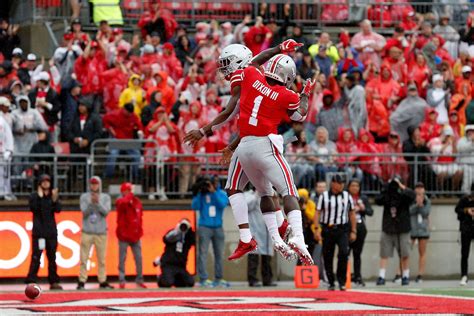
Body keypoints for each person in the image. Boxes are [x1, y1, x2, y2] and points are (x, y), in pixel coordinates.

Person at [316, 174, 357, 291]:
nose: (342, 185)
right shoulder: (324, 196)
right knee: (328, 255)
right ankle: (330, 281)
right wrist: (316, 229)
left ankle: (341, 281)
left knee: (344, 253)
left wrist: (353, 230)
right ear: (333, 184)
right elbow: (318, 212)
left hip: (342, 229)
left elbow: (352, 213)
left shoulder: (346, 196)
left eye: (343, 183)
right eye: (340, 183)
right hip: (328, 229)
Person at [375, 177, 415, 286]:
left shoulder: (404, 195)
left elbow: (413, 196)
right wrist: (387, 188)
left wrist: (402, 187)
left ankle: (405, 275)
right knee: (384, 253)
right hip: (388, 228)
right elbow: (378, 200)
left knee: (405, 253)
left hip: (403, 228)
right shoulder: (388, 195)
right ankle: (381, 276)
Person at [25, 174, 62, 290]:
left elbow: (58, 210)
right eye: (43, 181)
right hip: (39, 233)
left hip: (51, 233)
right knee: (36, 257)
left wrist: (55, 200)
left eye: (48, 181)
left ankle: (54, 281)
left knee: (52, 257)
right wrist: (40, 198)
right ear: (40, 183)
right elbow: (33, 208)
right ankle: (31, 280)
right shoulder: (34, 196)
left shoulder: (52, 196)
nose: (46, 183)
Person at [192, 177, 229, 288]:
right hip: (204, 227)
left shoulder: (221, 193)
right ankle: (203, 278)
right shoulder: (202, 194)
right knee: (202, 253)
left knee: (219, 254)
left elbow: (222, 204)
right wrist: (199, 193)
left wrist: (214, 193)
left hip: (218, 227)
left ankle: (218, 278)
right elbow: (195, 206)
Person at [77, 176, 113, 290]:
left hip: (101, 232)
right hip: (87, 231)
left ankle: (102, 280)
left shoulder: (105, 197)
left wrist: (97, 203)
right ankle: (82, 280)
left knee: (101, 259)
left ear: (99, 184)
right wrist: (91, 204)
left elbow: (106, 212)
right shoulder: (84, 197)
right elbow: (84, 212)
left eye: (96, 184)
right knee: (83, 258)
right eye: (92, 184)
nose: (94, 186)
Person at [116, 182, 147, 289]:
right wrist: (129, 196)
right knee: (122, 258)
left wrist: (139, 231)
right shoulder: (120, 201)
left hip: (136, 235)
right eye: (126, 190)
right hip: (124, 235)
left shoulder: (137, 202)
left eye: (129, 190)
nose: (128, 193)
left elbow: (140, 217)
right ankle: (121, 279)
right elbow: (122, 203)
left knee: (139, 258)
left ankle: (139, 278)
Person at [102, 103, 143, 180]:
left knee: (137, 155)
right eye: (128, 112)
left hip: (128, 140)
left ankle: (135, 175)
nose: (129, 114)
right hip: (117, 139)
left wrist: (140, 131)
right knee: (113, 154)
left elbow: (139, 125)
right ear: (124, 109)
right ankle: (108, 175)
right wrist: (109, 128)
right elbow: (105, 119)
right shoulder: (115, 114)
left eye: (130, 113)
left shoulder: (133, 116)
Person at [245, 189, 276, 287]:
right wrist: (256, 195)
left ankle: (267, 280)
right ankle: (252, 279)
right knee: (253, 255)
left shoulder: (268, 194)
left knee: (267, 256)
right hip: (255, 229)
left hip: (266, 231)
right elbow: (247, 206)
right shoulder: (249, 195)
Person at [348, 179, 373, 287]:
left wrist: (362, 208)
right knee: (345, 253)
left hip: (360, 226)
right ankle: (345, 276)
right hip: (347, 226)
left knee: (357, 254)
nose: (355, 188)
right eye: (352, 185)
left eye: (357, 186)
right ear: (348, 187)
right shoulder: (345, 197)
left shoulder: (363, 198)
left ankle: (358, 277)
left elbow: (370, 212)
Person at [156, 218, 195, 288]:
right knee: (167, 283)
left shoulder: (188, 237)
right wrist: (178, 230)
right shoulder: (173, 233)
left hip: (180, 266)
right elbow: (166, 239)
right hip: (168, 264)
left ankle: (177, 280)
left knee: (189, 282)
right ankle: (161, 278)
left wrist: (188, 231)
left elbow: (194, 241)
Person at [409, 182, 431, 283]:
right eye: (417, 191)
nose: (419, 193)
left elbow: (426, 213)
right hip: (412, 228)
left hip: (423, 229)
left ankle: (420, 274)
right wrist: (416, 205)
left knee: (422, 252)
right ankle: (400, 273)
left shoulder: (427, 200)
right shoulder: (410, 199)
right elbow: (408, 211)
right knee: (406, 251)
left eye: (421, 191)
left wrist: (421, 205)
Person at [455, 185, 474, 286]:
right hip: (466, 228)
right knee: (465, 253)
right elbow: (457, 209)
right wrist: (467, 210)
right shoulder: (464, 199)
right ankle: (464, 275)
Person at [457, 125, 474, 194]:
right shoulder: (461, 140)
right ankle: (465, 194)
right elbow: (461, 149)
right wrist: (472, 143)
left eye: (472, 131)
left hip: (473, 164)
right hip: (464, 164)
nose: (470, 133)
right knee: (468, 174)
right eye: (469, 131)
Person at [0, 113, 13, 200]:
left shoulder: (2, 121)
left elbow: (9, 137)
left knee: (4, 175)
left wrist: (9, 150)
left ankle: (4, 193)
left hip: (2, 153)